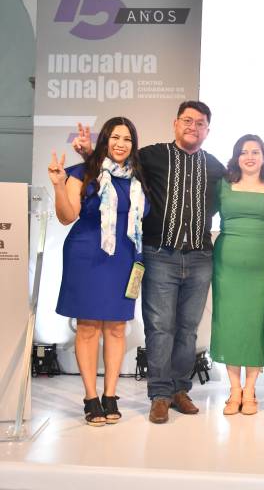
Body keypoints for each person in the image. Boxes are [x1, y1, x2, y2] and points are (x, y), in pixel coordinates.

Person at [72, 100, 226, 424]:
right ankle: (159, 394)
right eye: (187, 120)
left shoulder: (215, 166)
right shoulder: (152, 156)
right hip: (160, 255)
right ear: (175, 124)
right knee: (160, 327)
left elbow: (238, 189)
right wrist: (88, 154)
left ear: (208, 130)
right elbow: (115, 163)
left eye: (200, 123)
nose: (193, 127)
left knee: (187, 330)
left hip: (200, 256)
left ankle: (180, 390)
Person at [50, 117, 148, 426]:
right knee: (89, 327)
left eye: (127, 139)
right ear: (105, 140)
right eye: (115, 137)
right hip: (87, 254)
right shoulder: (84, 173)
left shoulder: (138, 178)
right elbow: (67, 216)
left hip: (125, 256)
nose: (121, 144)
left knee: (117, 327)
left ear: (133, 145)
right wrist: (58, 186)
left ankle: (110, 395)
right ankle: (91, 398)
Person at [211, 134, 264, 415]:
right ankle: (234, 391)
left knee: (256, 324)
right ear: (236, 157)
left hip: (263, 267)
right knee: (229, 324)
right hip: (227, 266)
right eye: (244, 152)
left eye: (255, 151)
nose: (250, 157)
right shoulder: (223, 185)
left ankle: (251, 390)